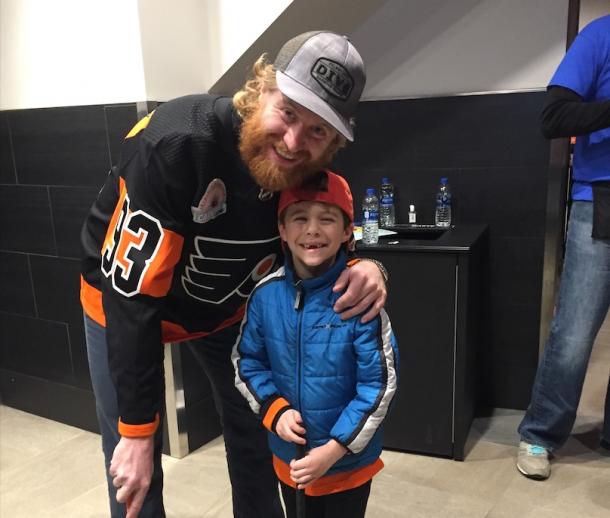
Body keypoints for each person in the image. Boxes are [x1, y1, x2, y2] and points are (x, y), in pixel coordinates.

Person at [80, 31, 389, 517]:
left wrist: (368, 266)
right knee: (133, 464)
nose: (293, 143)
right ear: (261, 87)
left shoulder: (308, 167)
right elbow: (133, 297)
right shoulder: (178, 141)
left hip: (224, 311)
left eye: (317, 131)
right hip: (123, 301)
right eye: (287, 112)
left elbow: (322, 239)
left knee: (254, 431)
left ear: (334, 141)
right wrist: (138, 431)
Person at [233, 170, 398, 518]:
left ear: (345, 232)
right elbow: (248, 362)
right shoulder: (264, 296)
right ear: (282, 229)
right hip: (289, 458)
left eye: (326, 219)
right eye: (299, 218)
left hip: (346, 466)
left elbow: (379, 385)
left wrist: (335, 448)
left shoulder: (359, 299)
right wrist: (274, 411)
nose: (312, 229)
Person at [516, 14, 610, 481]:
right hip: (601, 199)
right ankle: (539, 434)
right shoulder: (600, 35)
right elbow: (552, 118)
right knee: (573, 331)